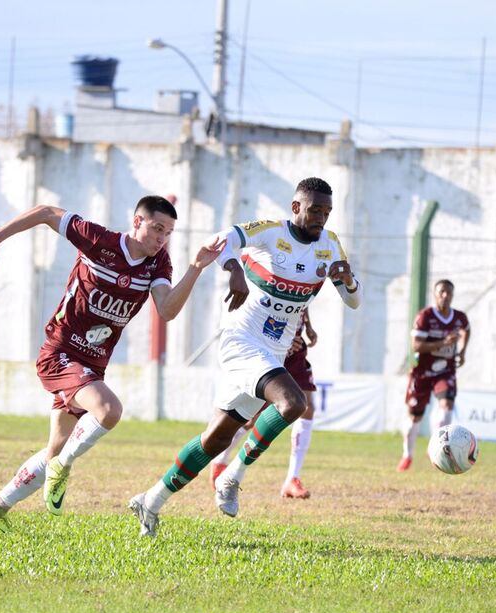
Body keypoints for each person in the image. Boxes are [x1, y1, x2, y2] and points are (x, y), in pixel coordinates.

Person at [0, 196, 225, 532]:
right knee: (108, 410)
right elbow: (46, 212)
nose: (161, 238)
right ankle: (63, 466)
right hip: (60, 352)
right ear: (137, 221)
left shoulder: (158, 263)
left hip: (93, 364)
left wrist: (195, 268)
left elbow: (166, 310)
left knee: (55, 449)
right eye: (157, 228)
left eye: (168, 233)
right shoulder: (98, 240)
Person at [128, 177, 361, 538]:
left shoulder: (330, 245)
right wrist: (234, 268)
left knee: (216, 439)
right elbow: (220, 240)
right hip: (241, 340)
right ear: (296, 207)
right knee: (293, 403)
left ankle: (151, 500)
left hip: (274, 349)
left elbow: (353, 301)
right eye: (315, 210)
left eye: (327, 212)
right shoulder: (271, 232)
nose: (321, 218)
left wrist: (349, 282)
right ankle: (232, 477)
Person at [208, 308, 319, 499]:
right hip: (270, 347)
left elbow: (304, 299)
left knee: (307, 408)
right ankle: (220, 461)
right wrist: (283, 339)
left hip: (296, 350)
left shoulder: (310, 288)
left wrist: (308, 325)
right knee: (253, 416)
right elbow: (264, 307)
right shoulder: (262, 287)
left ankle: (292, 479)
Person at [397, 279, 471, 471]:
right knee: (414, 417)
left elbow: (466, 329)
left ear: (452, 295)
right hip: (422, 372)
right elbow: (416, 346)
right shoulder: (425, 316)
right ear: (435, 294)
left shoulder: (459, 317)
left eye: (448, 292)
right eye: (441, 292)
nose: (445, 296)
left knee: (446, 407)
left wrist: (462, 352)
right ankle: (407, 455)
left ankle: (436, 450)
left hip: (445, 370)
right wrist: (444, 342)